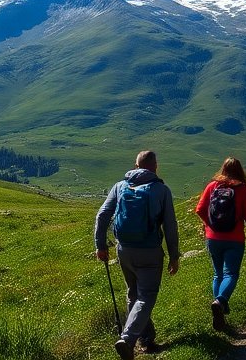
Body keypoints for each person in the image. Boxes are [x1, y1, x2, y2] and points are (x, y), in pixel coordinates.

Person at [95, 150, 180, 360]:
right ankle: (128, 339)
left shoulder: (120, 186)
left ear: (136, 166)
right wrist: (174, 255)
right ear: (155, 166)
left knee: (133, 294)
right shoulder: (161, 190)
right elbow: (170, 225)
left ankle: (146, 339)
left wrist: (100, 246)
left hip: (124, 250)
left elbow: (102, 215)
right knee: (146, 296)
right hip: (150, 251)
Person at [193, 157, 246, 332]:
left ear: (223, 169)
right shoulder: (243, 190)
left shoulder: (212, 186)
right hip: (234, 239)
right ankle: (220, 302)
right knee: (231, 273)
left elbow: (199, 209)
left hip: (213, 238)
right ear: (240, 171)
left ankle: (219, 310)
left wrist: (209, 225)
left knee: (218, 274)